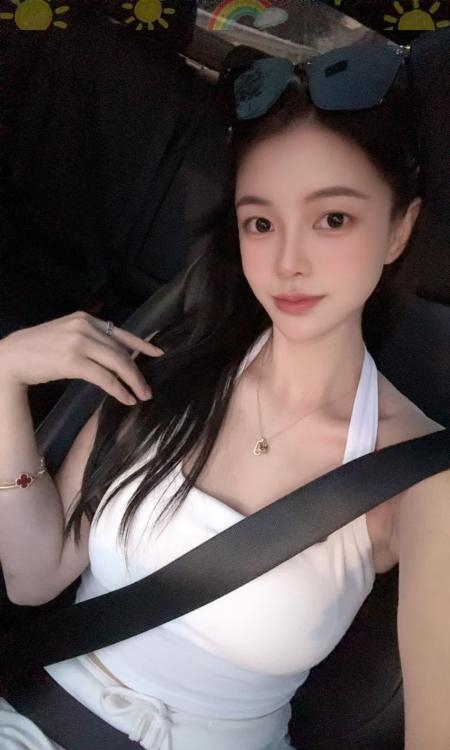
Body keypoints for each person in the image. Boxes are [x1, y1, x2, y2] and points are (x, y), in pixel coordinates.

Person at [0, 43, 449, 750]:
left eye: (333, 219)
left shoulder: (420, 476)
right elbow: (35, 575)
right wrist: (3, 380)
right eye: (260, 222)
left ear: (400, 229)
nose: (288, 261)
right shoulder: (170, 362)